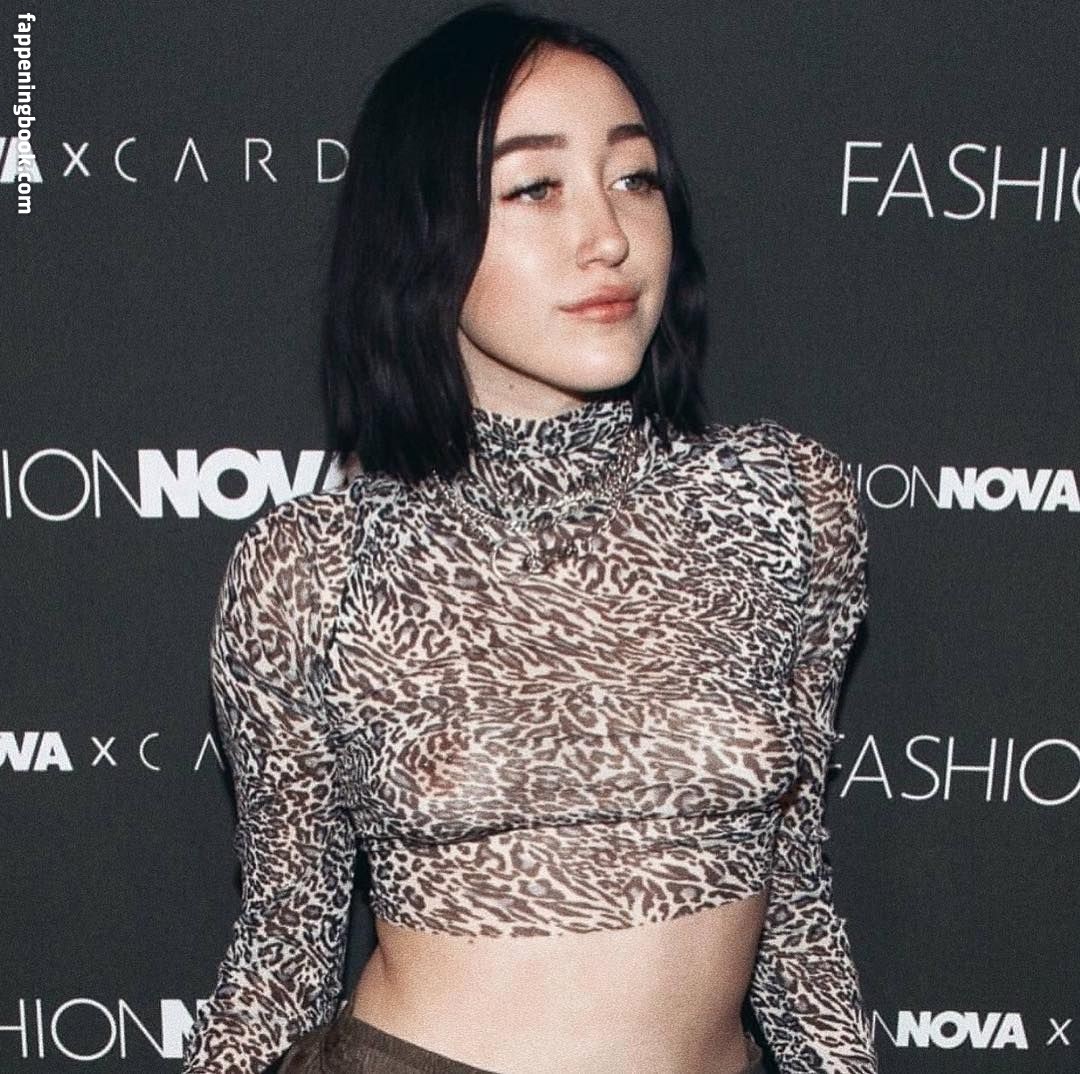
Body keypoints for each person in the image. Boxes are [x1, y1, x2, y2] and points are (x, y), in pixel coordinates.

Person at [181, 4, 878, 1073]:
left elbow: (796, 908)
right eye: (535, 187)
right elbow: (284, 950)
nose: (607, 236)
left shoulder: (783, 505)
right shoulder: (314, 566)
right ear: (421, 230)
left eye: (634, 178)